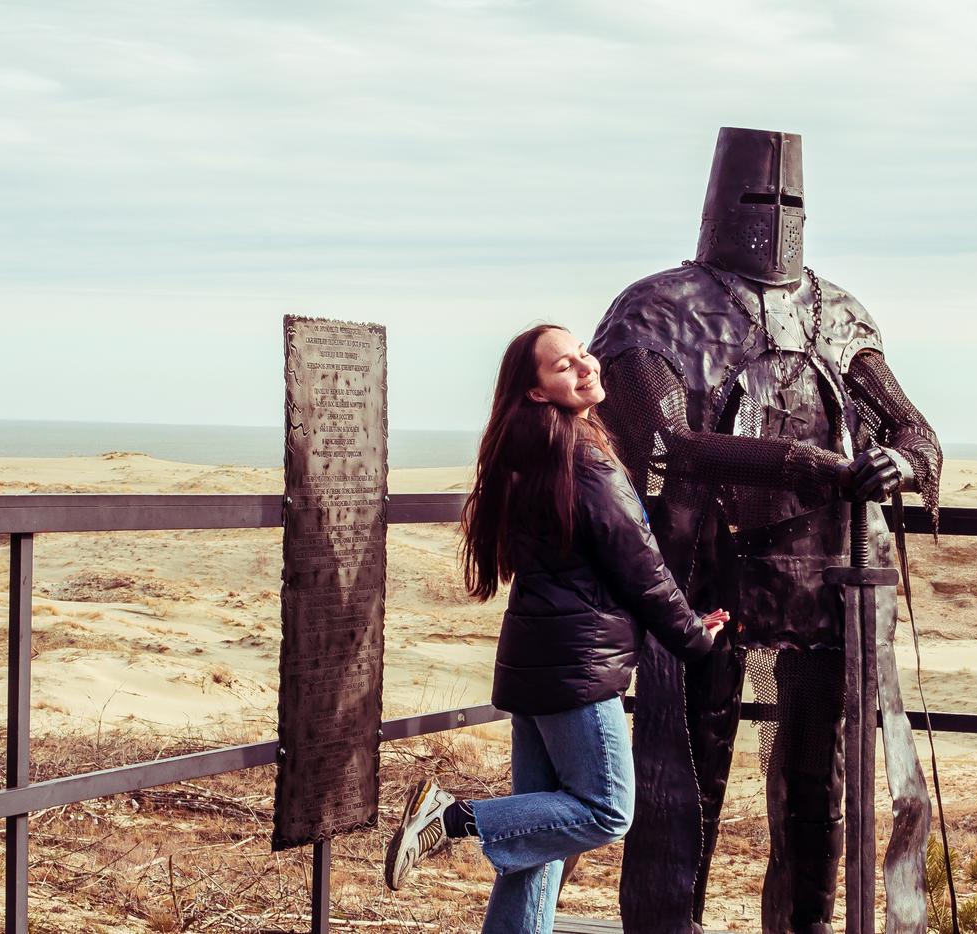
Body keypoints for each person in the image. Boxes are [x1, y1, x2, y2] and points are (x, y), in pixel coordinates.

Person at [589, 126, 940, 933]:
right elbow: (663, 442)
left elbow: (915, 431)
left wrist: (902, 465)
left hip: (824, 582)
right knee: (686, 781)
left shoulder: (837, 315)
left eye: (787, 198)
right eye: (760, 194)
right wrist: (795, 463)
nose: (773, 212)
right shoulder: (658, 309)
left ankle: (805, 926)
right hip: (703, 579)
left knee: (817, 790)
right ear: (722, 195)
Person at [383, 324, 727, 934]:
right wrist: (695, 639)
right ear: (539, 392)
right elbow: (642, 571)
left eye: (581, 355)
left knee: (535, 853)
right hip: (578, 671)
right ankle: (456, 817)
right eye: (563, 365)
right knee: (605, 810)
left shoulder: (528, 457)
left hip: (539, 664)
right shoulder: (585, 463)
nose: (584, 366)